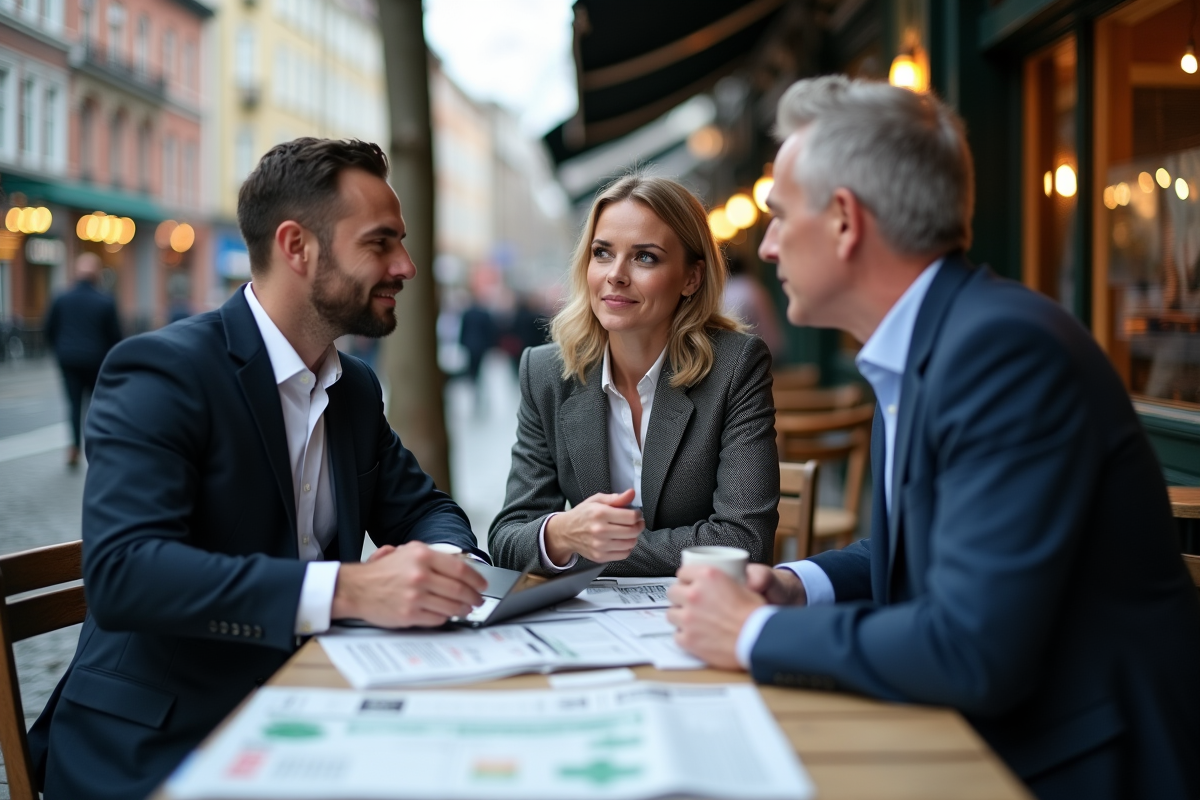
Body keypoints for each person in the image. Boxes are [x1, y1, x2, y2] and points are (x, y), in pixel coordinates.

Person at [667, 77, 1200, 800]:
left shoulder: (999, 352)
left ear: (846, 222)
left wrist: (752, 633)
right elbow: (927, 551)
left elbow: (973, 649)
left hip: (1072, 764)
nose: (765, 247)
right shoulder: (934, 339)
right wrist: (798, 586)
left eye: (781, 216)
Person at [28, 138, 490, 800]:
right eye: (381, 243)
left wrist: (443, 563)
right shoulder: (162, 371)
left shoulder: (353, 388)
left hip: (314, 710)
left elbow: (425, 509)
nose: (406, 266)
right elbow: (125, 574)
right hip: (162, 744)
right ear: (297, 247)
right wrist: (351, 591)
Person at [489, 175, 779, 577]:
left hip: (704, 612)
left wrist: (585, 548)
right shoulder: (546, 373)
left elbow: (744, 541)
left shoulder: (735, 366)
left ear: (691, 278)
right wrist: (560, 531)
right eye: (603, 253)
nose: (616, 275)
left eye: (645, 257)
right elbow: (507, 539)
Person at [44, 251, 121, 466]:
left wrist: (59, 351)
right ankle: (95, 447)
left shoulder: (61, 298)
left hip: (68, 359)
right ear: (97, 274)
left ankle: (74, 448)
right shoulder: (105, 301)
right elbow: (115, 336)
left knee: (73, 404)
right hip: (96, 360)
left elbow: (49, 328)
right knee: (95, 405)